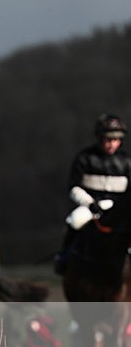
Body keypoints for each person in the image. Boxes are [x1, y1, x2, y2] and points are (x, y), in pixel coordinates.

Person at [54, 113, 131, 274]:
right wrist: (90, 203)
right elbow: (74, 187)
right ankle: (64, 258)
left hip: (119, 211)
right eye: (108, 139)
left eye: (115, 140)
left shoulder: (127, 162)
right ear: (100, 138)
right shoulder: (85, 158)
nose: (111, 144)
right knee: (75, 221)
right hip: (91, 207)